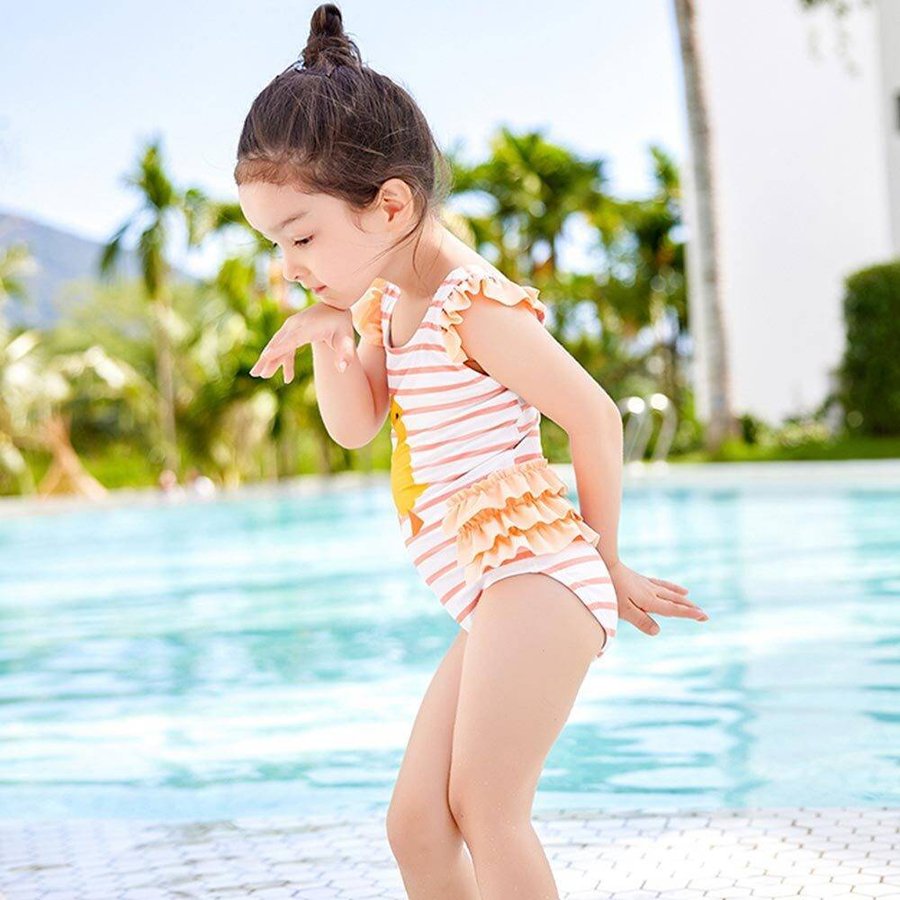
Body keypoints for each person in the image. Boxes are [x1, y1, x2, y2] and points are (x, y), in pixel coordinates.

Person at [235, 5, 710, 897]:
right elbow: (357, 425)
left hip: (538, 569)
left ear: (391, 204)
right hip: (491, 584)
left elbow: (596, 417)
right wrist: (330, 332)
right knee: (417, 827)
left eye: (301, 237)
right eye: (277, 245)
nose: (291, 263)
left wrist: (604, 560)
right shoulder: (380, 304)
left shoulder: (469, 304)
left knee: (486, 806)